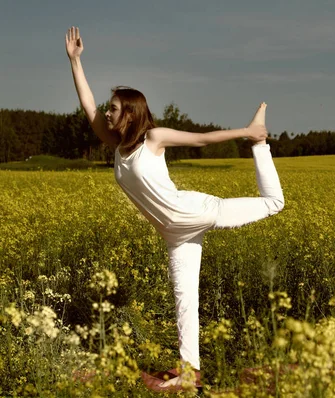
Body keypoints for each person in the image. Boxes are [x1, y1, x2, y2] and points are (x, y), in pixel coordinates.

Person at [65, 26, 284, 390]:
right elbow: (88, 105)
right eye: (109, 107)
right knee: (185, 301)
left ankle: (261, 145)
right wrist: (75, 61)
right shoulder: (117, 146)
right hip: (173, 233)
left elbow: (200, 140)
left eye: (115, 108)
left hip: (193, 211)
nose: (107, 112)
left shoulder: (154, 138)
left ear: (131, 115)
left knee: (274, 203)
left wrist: (248, 134)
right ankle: (189, 372)